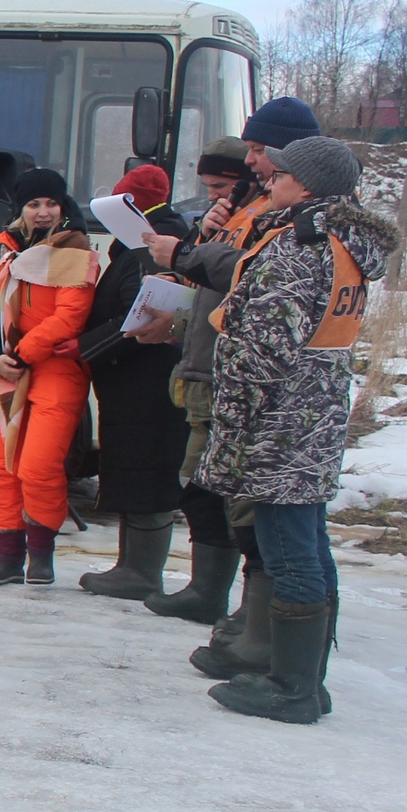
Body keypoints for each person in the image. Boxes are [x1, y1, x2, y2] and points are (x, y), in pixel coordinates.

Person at [195, 135, 391, 723]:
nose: (269, 179)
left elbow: (264, 351)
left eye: (279, 173)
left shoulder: (298, 248)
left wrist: (234, 416)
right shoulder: (345, 244)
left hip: (280, 420)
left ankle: (291, 688)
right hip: (317, 411)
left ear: (304, 185)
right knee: (310, 543)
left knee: (289, 550)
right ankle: (307, 679)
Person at [136, 137, 256, 622]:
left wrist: (189, 254)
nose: (215, 198)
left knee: (221, 492)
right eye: (208, 188)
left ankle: (218, 598)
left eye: (223, 187)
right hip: (199, 364)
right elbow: (207, 294)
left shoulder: (262, 223)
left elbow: (240, 288)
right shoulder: (221, 223)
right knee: (201, 485)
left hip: (222, 373)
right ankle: (205, 589)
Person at [0, 170, 97, 587]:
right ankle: (8, 555)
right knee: (4, 468)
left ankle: (41, 555)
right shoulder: (8, 253)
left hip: (56, 371)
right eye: (33, 204)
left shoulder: (76, 249)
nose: (43, 212)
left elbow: (70, 316)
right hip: (11, 371)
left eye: (51, 204)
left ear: (63, 207)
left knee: (39, 466)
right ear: (20, 210)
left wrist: (19, 355)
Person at [75, 162, 193, 599]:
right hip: (142, 381)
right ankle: (131, 564)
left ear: (133, 207)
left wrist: (82, 350)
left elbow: (137, 318)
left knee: (146, 470)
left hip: (146, 382)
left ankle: (141, 572)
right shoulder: (149, 244)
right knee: (139, 467)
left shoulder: (147, 252)